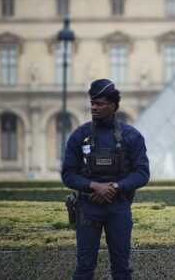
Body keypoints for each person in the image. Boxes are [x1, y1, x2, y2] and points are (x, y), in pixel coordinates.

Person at [61, 79, 150, 280]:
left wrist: (115, 187)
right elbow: (67, 174)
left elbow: (142, 173)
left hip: (119, 207)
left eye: (100, 103)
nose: (94, 107)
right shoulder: (79, 135)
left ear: (113, 106)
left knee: (121, 268)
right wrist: (94, 186)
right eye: (92, 102)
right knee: (84, 267)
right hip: (87, 208)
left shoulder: (131, 136)